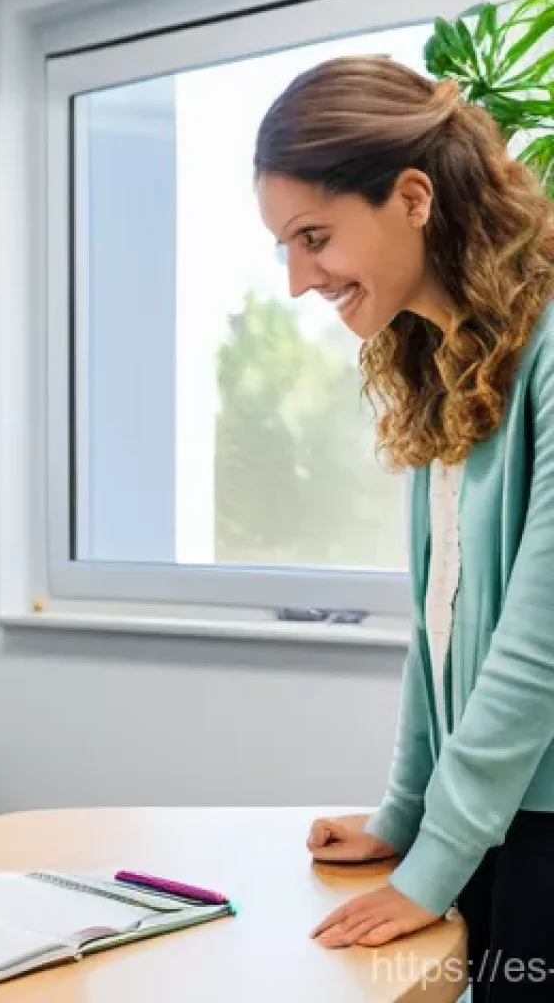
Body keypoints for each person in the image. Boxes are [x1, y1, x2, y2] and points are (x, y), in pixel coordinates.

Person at [255, 55, 554, 1001]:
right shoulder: (449, 364)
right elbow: (443, 628)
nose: (299, 279)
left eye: (315, 238)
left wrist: (436, 857)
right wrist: (406, 813)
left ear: (414, 197)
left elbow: (541, 640)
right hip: (502, 821)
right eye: (285, 248)